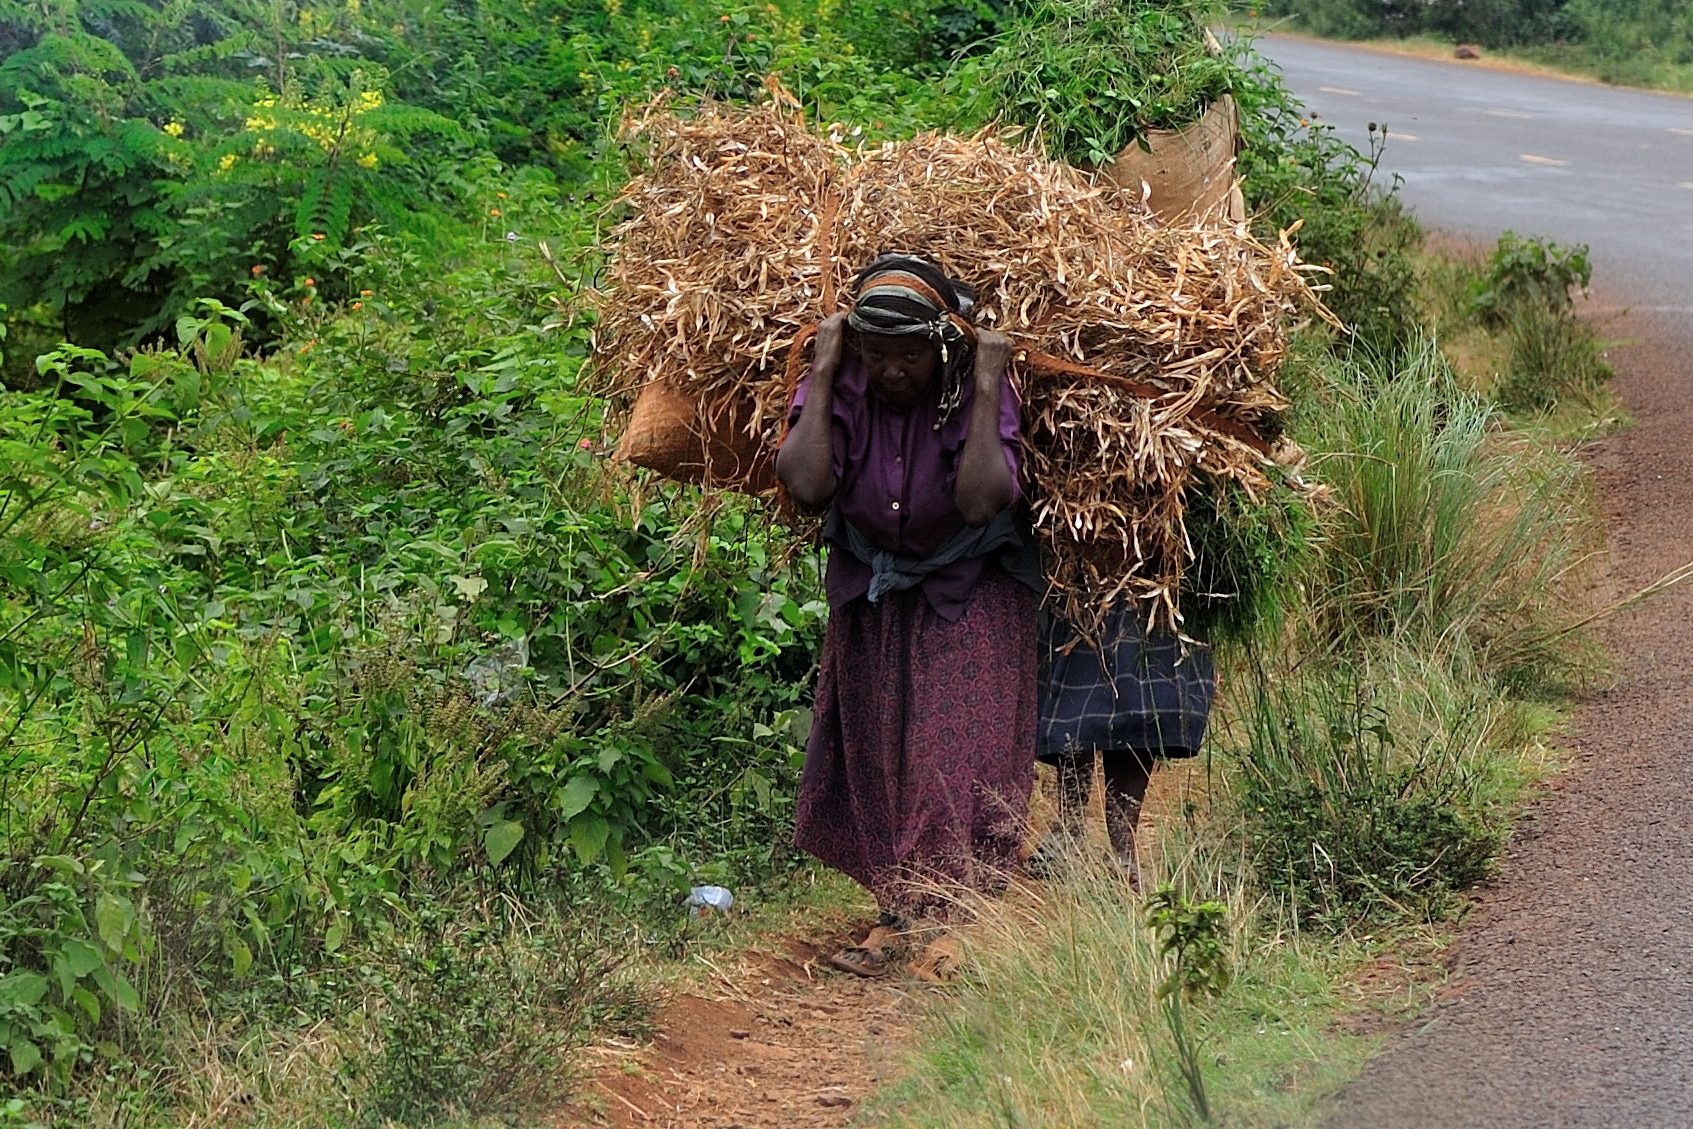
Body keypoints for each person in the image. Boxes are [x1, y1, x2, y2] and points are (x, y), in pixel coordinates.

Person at [777, 253, 1042, 978]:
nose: (892, 372)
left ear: (942, 347)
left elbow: (982, 499)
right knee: (878, 755)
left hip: (969, 589)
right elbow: (804, 484)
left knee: (948, 761)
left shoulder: (973, 384)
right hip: (872, 590)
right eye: (877, 355)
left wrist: (987, 385)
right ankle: (900, 914)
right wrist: (827, 369)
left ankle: (950, 923)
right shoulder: (845, 378)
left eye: (909, 357)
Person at [1030, 599, 1216, 889]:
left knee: (1139, 712)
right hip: (1084, 587)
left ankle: (1122, 848)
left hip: (1155, 589)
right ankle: (1069, 829)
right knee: (1075, 707)